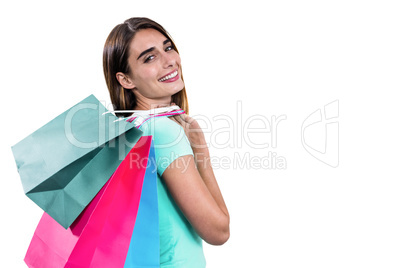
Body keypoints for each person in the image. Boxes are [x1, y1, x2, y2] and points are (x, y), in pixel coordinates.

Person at [103, 17, 230, 267]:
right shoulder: (163, 132)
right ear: (126, 80)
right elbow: (218, 231)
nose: (169, 60)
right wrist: (201, 151)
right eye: (150, 58)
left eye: (168, 47)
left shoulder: (129, 130)